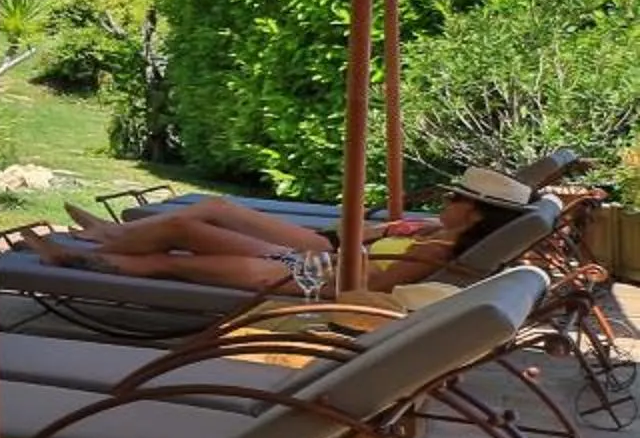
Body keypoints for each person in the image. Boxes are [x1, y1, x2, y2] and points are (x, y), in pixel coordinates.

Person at [39, 168, 533, 299]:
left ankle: (80, 255)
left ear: (472, 214)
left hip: (311, 278)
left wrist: (354, 249)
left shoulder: (435, 253)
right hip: (309, 263)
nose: (443, 203)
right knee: (194, 222)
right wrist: (380, 231)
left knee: (179, 249)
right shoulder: (433, 233)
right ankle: (99, 240)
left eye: (454, 200)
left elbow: (371, 288)